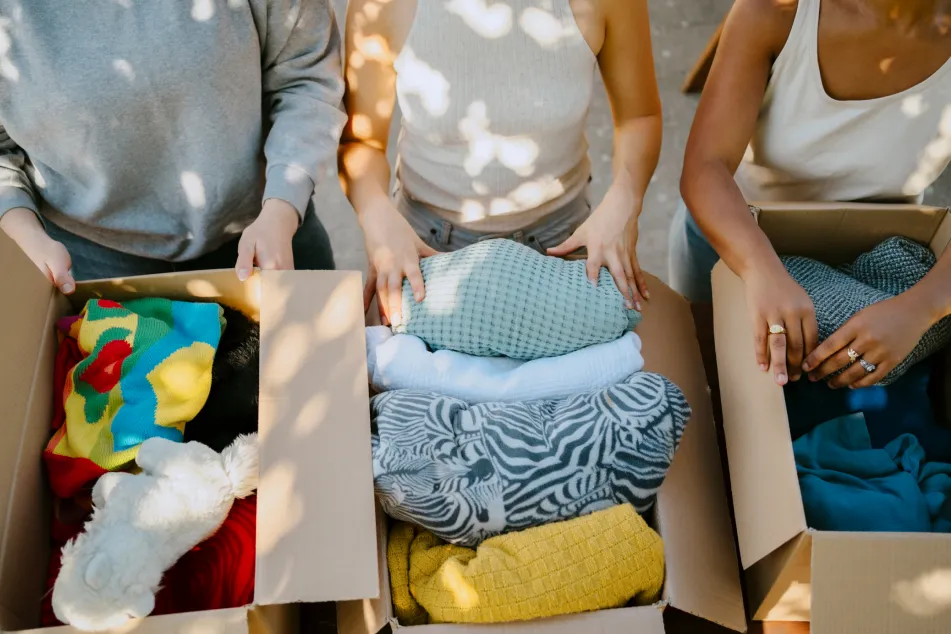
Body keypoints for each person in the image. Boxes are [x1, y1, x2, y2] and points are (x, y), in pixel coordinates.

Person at [676, 0, 951, 389]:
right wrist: (761, 270)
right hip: (733, 236)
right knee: (698, 368)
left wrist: (920, 308)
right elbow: (706, 166)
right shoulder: (777, 11)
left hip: (872, 256)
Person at [340, 0, 662, 323]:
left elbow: (639, 117)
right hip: (423, 248)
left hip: (564, 244)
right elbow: (361, 141)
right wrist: (376, 214)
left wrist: (625, 199)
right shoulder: (382, 5)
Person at [0, 1, 346, 291]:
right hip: (91, 262)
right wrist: (24, 233)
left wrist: (282, 209)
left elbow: (307, 77)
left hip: (269, 229)